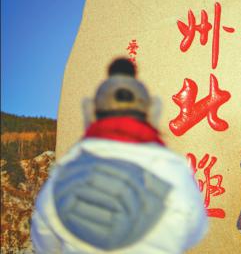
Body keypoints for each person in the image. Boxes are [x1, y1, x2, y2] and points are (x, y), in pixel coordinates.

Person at [31, 58, 207, 254]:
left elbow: (45, 245)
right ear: (152, 111)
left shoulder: (61, 180)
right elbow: (194, 232)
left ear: (90, 112)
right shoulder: (174, 172)